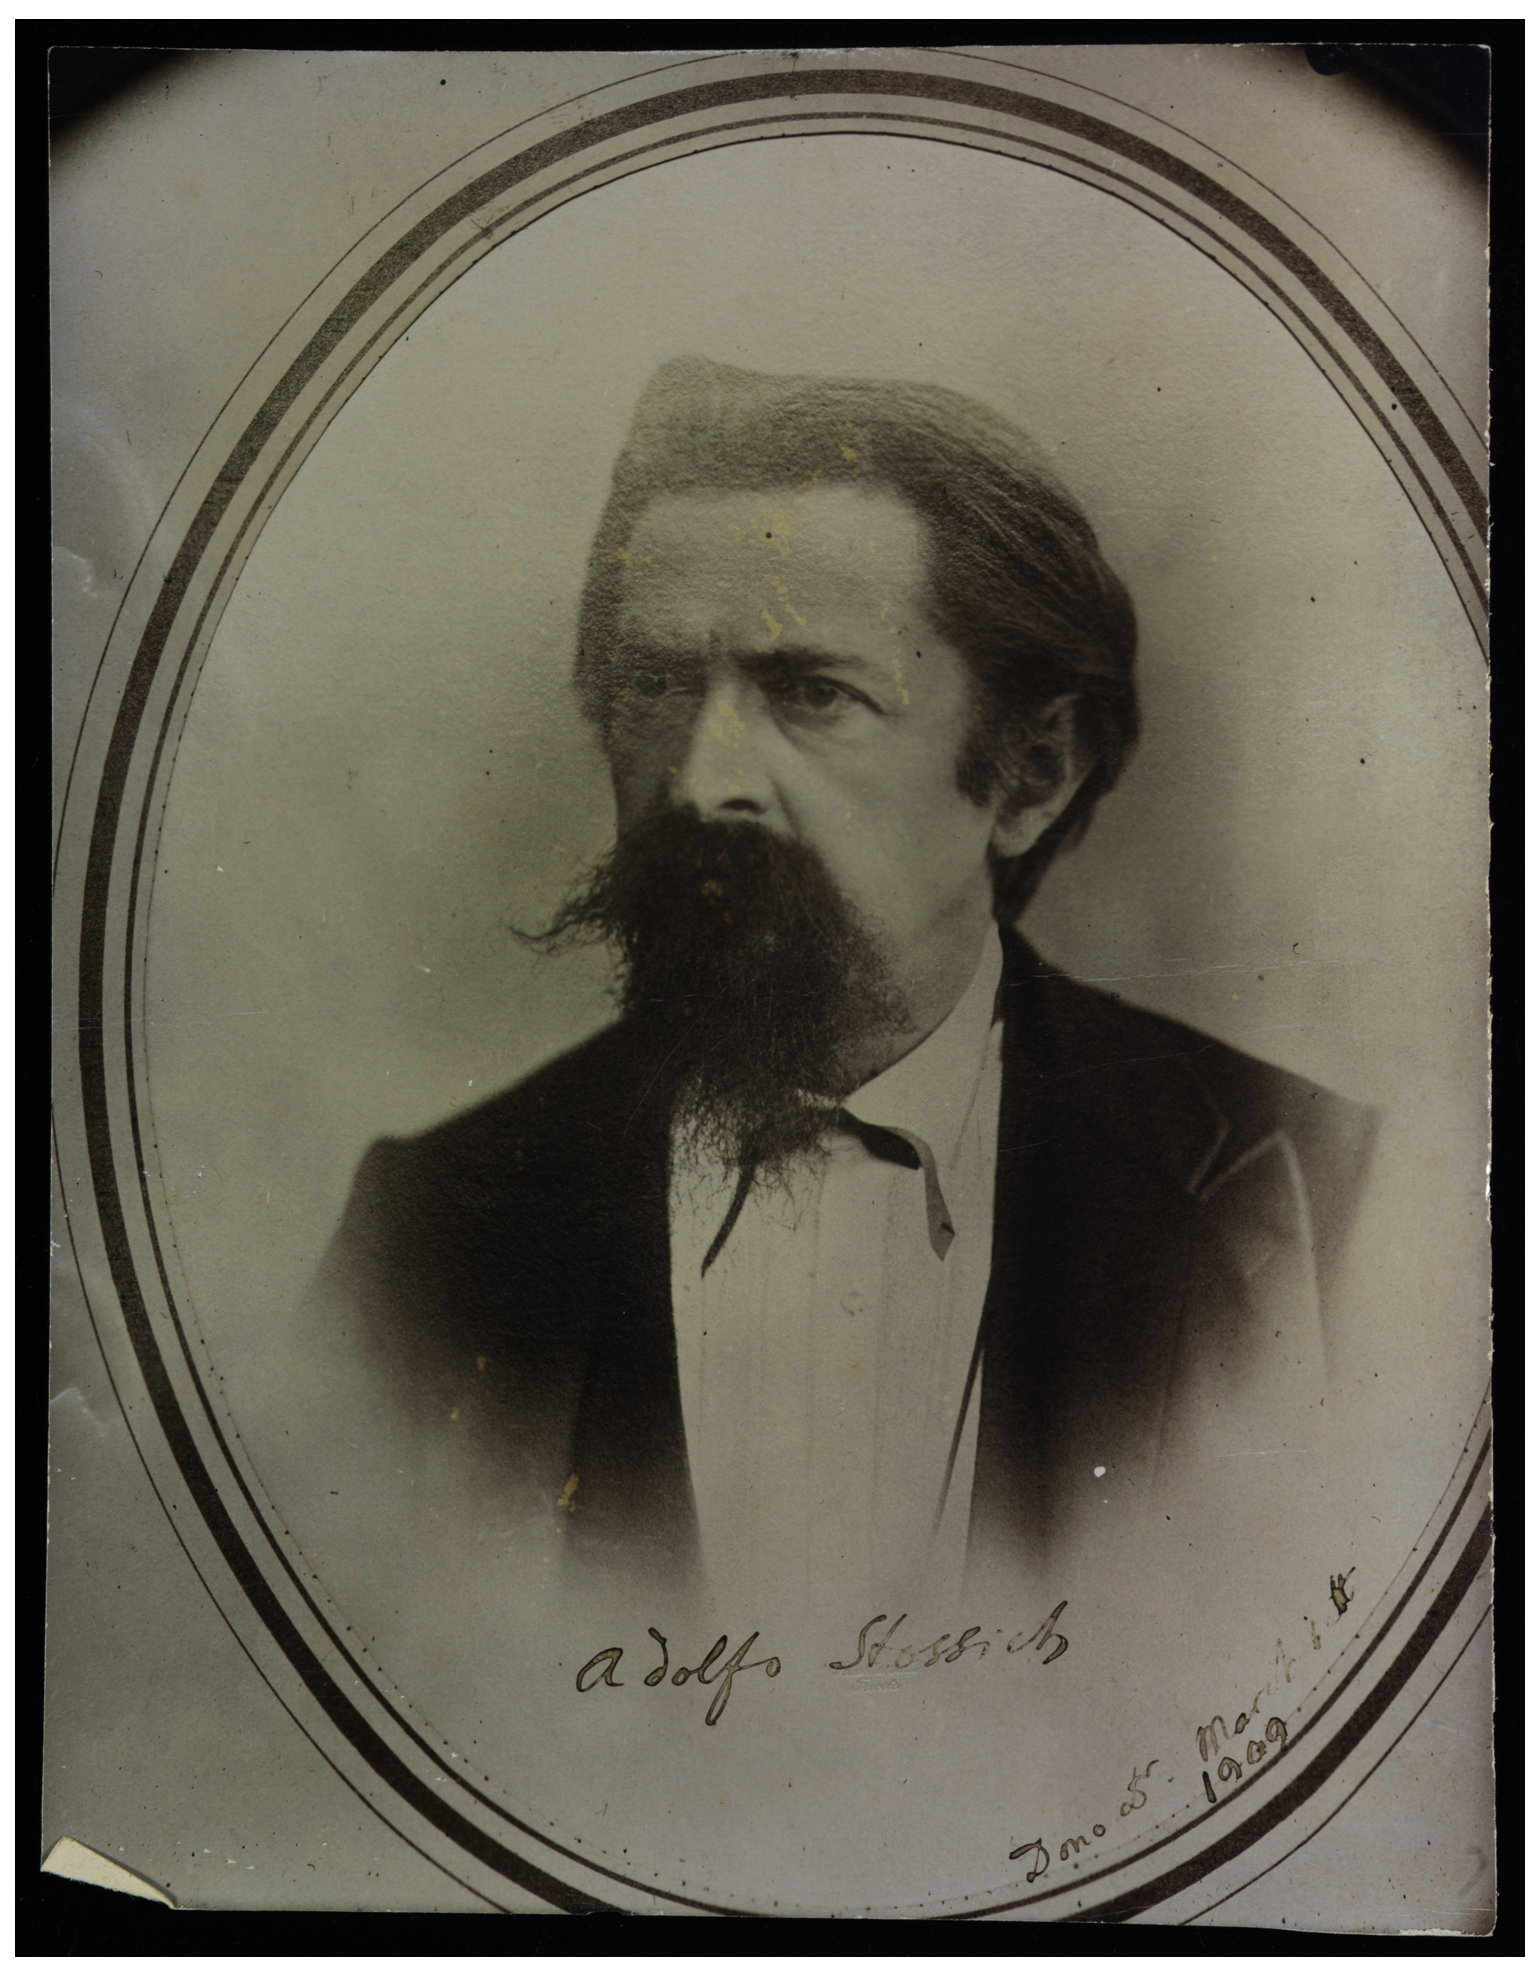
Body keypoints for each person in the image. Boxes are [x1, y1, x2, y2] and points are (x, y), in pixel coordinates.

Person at [307, 357, 1377, 1623]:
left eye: (812, 693)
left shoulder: (1306, 1188)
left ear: (1032, 773)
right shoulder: (430, 1228)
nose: (704, 782)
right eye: (656, 687)